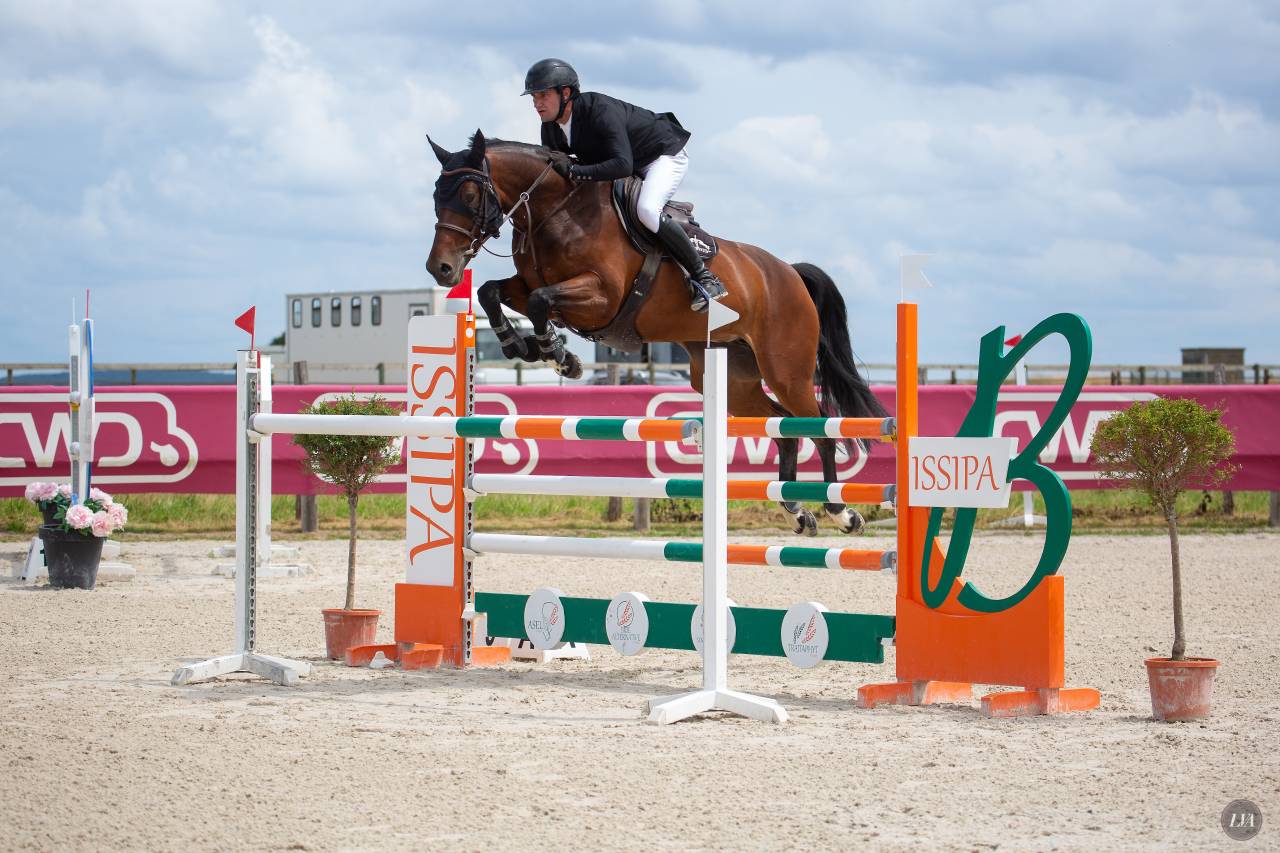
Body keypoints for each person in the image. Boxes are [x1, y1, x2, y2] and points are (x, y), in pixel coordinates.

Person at [523, 58, 728, 313]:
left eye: (542, 95)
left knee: (647, 210)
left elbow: (621, 165)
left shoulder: (599, 110)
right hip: (630, 162)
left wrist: (576, 171)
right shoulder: (551, 128)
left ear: (565, 93)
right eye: (533, 97)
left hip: (661, 155)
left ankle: (705, 278)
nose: (537, 103)